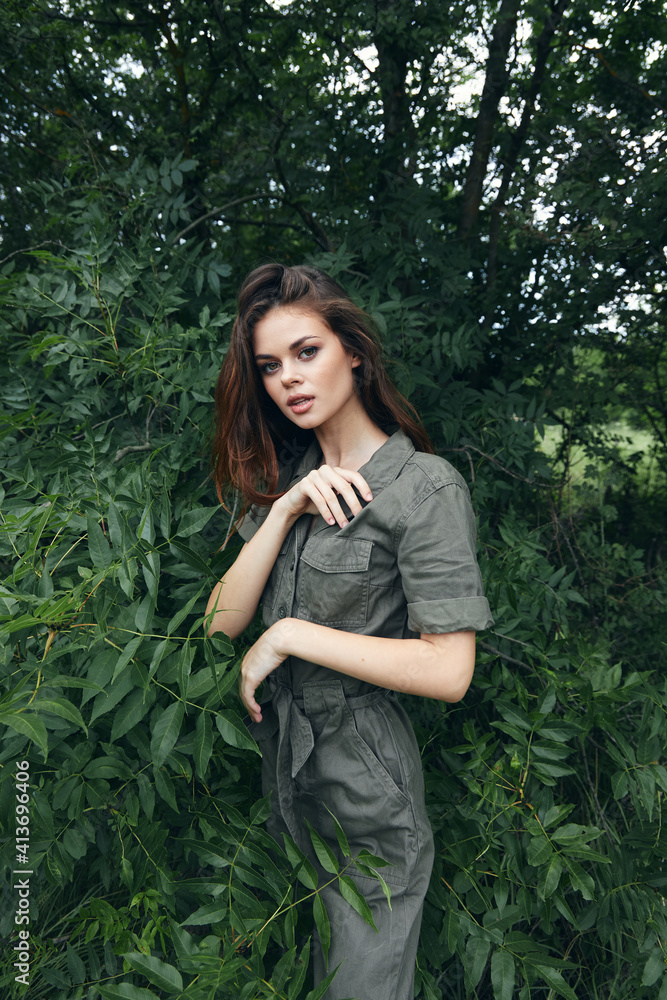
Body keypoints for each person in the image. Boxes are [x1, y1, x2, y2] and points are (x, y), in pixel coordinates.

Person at [206, 263, 493, 1000]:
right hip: (286, 767)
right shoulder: (294, 478)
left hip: (365, 778)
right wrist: (283, 510)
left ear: (354, 353)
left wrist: (290, 636)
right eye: (269, 366)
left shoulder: (423, 487)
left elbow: (448, 670)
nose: (288, 380)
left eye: (308, 352)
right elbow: (220, 622)